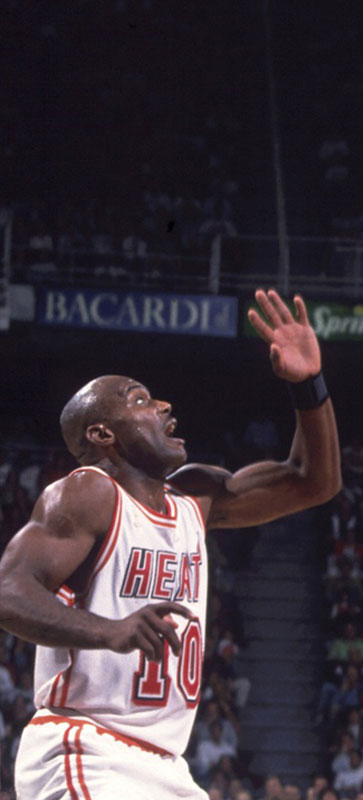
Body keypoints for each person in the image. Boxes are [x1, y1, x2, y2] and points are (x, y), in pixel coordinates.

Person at [0, 288, 341, 798]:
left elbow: (313, 481)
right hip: (87, 749)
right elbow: (8, 591)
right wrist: (106, 631)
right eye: (139, 400)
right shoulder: (89, 493)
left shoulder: (195, 499)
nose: (162, 405)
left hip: (165, 767)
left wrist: (309, 385)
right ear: (102, 435)